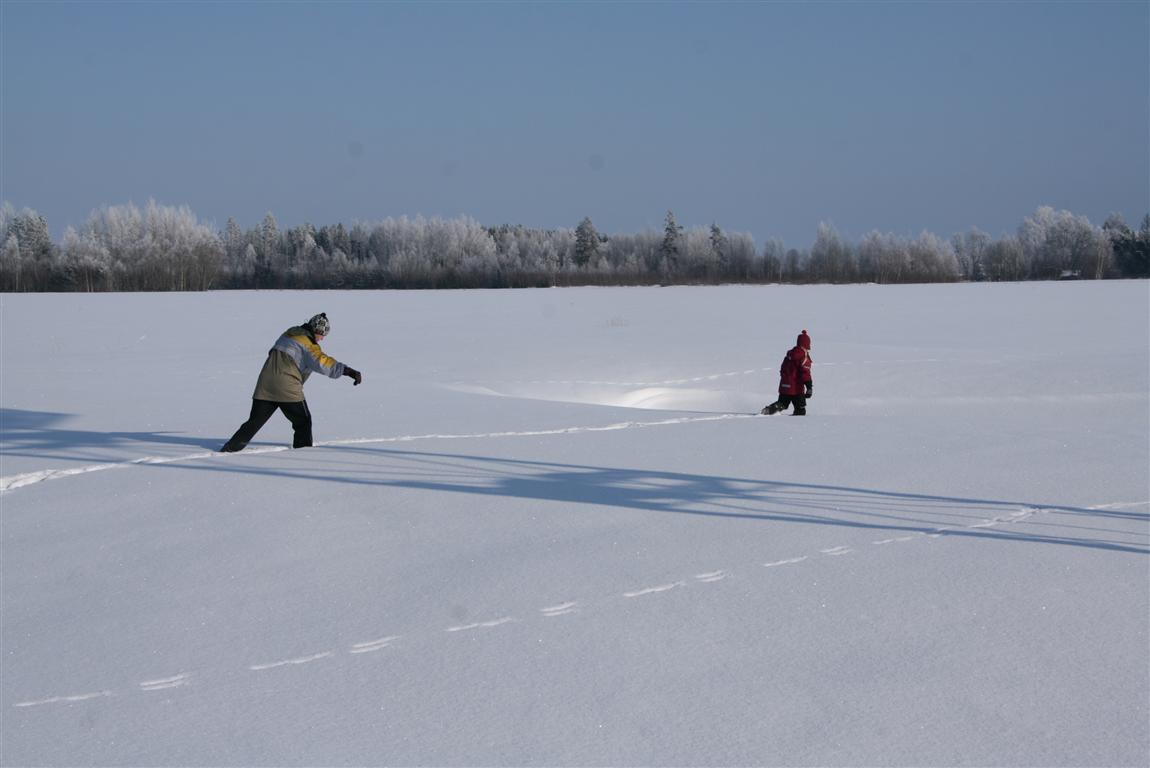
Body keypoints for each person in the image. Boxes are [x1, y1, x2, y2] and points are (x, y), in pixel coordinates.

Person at [220, 313, 362, 452]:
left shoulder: (289, 334)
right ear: (316, 331)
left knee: (254, 421)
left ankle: (230, 448)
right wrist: (349, 371)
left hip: (265, 384)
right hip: (287, 388)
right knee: (303, 421)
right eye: (322, 334)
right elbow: (322, 363)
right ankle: (304, 453)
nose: (322, 339)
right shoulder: (308, 344)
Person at [761, 329, 813, 416]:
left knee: (782, 404)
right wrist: (809, 387)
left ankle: (768, 411)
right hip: (797, 389)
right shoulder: (804, 357)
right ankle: (796, 428)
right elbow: (805, 373)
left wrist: (786, 380)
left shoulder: (789, 355)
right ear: (806, 345)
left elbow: (782, 369)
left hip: (784, 385)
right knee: (800, 409)